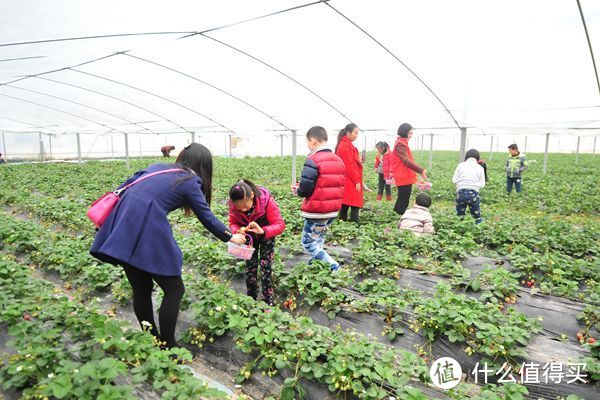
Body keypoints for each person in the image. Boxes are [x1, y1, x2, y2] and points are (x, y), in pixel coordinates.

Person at [90, 143, 245, 349]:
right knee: (174, 289)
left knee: (141, 288)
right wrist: (230, 236)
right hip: (147, 225)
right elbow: (206, 216)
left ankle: (152, 340)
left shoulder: (157, 167)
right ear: (204, 166)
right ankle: (169, 345)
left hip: (123, 225)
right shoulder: (190, 181)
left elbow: (128, 185)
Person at [228, 179, 285, 305]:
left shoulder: (267, 202)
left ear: (252, 195)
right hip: (249, 240)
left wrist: (263, 231)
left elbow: (280, 225)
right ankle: (251, 299)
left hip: (266, 236)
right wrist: (238, 230)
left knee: (266, 268)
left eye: (245, 205)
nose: (242, 210)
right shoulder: (233, 207)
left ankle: (267, 301)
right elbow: (232, 223)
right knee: (250, 269)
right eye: (239, 207)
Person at [296, 126, 345, 271]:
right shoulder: (338, 159)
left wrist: (298, 190)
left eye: (307, 141)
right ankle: (317, 265)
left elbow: (305, 188)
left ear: (312, 141)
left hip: (318, 210)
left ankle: (333, 267)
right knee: (318, 239)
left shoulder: (313, 159)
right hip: (333, 209)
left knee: (308, 243)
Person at [389, 123, 427, 215]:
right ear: (404, 132)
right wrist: (420, 170)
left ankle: (395, 216)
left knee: (401, 199)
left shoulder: (401, 143)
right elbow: (406, 161)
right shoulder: (401, 145)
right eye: (409, 133)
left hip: (404, 176)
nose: (411, 135)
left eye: (411, 133)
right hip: (403, 176)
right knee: (404, 201)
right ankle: (400, 219)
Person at [335, 123, 363, 223]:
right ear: (348, 133)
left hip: (348, 179)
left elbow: (352, 163)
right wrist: (356, 181)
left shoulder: (346, 145)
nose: (356, 135)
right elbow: (349, 166)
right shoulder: (345, 147)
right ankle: (353, 226)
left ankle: (343, 223)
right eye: (355, 133)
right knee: (354, 204)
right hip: (349, 180)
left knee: (345, 202)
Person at [452, 149, 486, 224]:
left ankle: (459, 229)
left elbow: (454, 180)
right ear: (477, 158)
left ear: (466, 157)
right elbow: (482, 184)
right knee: (476, 216)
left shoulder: (460, 165)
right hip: (473, 194)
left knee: (459, 215)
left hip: (460, 193)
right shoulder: (480, 168)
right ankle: (479, 229)